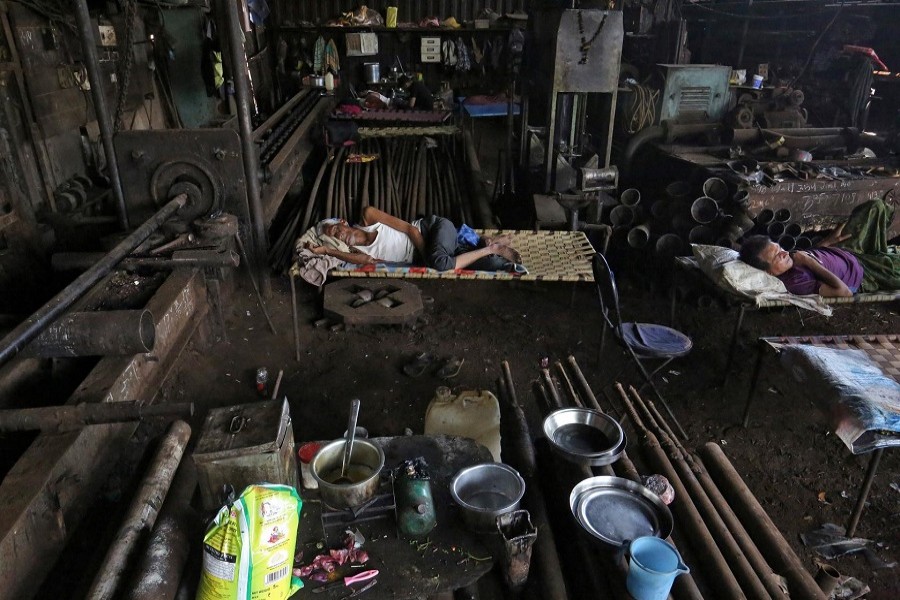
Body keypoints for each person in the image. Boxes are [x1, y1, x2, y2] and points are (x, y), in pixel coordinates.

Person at [739, 197, 900, 297]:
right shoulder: (795, 282)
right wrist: (809, 262)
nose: (784, 253)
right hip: (864, 275)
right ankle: (880, 255)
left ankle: (879, 251)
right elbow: (844, 293)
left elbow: (810, 254)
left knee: (875, 207)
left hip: (844, 249)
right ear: (769, 272)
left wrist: (828, 241)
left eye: (779, 248)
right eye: (776, 257)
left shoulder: (787, 261)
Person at [305, 206, 520, 271]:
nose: (338, 236)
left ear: (342, 222)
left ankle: (489, 247)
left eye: (335, 230)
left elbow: (411, 230)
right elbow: (365, 262)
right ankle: (490, 248)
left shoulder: (369, 215)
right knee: (492, 265)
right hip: (439, 251)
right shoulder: (358, 253)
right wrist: (327, 251)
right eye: (334, 239)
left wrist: (429, 258)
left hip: (433, 229)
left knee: (440, 263)